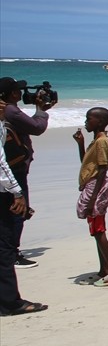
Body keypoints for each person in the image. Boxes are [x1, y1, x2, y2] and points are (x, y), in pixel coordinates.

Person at [1, 76, 54, 269]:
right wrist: (41, 111)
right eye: (19, 91)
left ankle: (7, 250)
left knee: (8, 211)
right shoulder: (10, 110)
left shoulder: (4, 110)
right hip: (14, 169)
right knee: (18, 210)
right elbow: (36, 128)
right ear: (13, 94)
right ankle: (12, 253)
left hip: (8, 168)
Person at [0, 110, 45, 316]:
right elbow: (2, 164)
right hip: (4, 193)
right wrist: (17, 192)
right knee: (5, 246)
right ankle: (10, 302)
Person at [75, 107, 108, 287]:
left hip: (96, 186)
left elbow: (102, 169)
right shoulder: (95, 141)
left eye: (89, 118)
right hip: (93, 185)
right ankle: (104, 270)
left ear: (100, 122)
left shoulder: (102, 142)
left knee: (98, 229)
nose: (86, 121)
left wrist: (93, 198)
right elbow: (88, 164)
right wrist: (80, 144)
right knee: (95, 230)